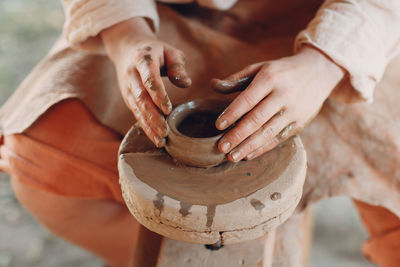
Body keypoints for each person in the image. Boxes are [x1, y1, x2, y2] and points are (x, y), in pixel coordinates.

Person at [1, 0, 400, 266]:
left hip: (337, 29)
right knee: (39, 158)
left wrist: (323, 64)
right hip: (165, 19)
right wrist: (125, 36)